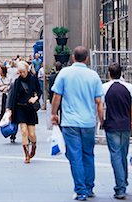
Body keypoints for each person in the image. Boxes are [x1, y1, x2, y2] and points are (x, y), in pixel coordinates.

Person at [51, 46, 104, 201]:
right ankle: (89, 187)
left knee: (75, 156)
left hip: (70, 122)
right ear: (87, 58)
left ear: (73, 57)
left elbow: (56, 96)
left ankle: (80, 190)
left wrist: (54, 114)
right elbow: (99, 102)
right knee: (88, 154)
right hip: (88, 122)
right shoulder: (93, 76)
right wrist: (101, 120)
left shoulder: (64, 73)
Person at [103, 62, 132, 200]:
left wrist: (101, 121)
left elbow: (100, 106)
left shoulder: (105, 88)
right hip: (126, 126)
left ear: (109, 74)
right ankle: (123, 181)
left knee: (115, 156)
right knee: (123, 155)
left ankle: (120, 188)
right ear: (122, 73)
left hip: (111, 125)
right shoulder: (129, 87)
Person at [6, 60, 42, 163]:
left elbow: (39, 92)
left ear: (27, 70)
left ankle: (34, 145)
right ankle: (26, 155)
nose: (21, 74)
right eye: (20, 72)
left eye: (23, 71)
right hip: (20, 108)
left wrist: (35, 98)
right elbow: (13, 96)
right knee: (23, 131)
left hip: (30, 109)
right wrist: (10, 110)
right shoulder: (17, 81)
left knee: (31, 133)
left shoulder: (33, 79)